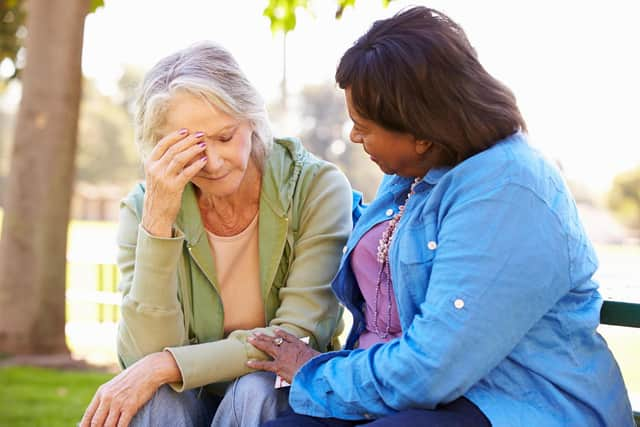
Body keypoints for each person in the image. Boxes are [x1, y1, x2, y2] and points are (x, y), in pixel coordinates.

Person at [247, 6, 635, 427]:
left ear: (421, 131)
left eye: (364, 125)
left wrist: (317, 373)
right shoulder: (414, 176)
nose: (354, 136)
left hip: (519, 403)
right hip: (421, 400)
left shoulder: (507, 189)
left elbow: (433, 368)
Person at [80, 41, 352, 427]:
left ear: (252, 120)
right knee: (155, 399)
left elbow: (294, 340)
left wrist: (165, 364)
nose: (212, 162)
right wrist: (158, 222)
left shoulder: (316, 187)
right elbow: (142, 355)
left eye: (225, 137)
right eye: (189, 146)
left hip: (275, 399)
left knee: (254, 390)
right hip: (183, 401)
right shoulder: (143, 206)